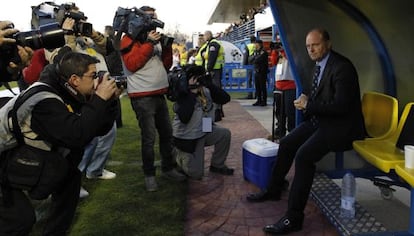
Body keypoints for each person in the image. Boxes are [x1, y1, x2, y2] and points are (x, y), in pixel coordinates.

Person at [246, 28, 365, 234]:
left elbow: (341, 106)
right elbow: (318, 95)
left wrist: (308, 106)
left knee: (303, 157)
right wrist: (305, 100)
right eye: (308, 46)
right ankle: (274, 189)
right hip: (323, 120)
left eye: (316, 45)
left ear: (328, 43)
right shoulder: (319, 64)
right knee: (286, 143)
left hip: (342, 126)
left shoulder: (342, 67)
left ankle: (293, 218)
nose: (311, 50)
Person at [0, 52, 118, 235]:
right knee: (19, 220)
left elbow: (96, 129)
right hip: (3, 156)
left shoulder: (67, 90)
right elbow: (76, 135)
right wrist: (99, 99)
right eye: (93, 76)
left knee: (69, 177)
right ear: (74, 79)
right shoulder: (43, 101)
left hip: (14, 151)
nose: (97, 80)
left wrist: (109, 102)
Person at [120, 5, 186, 192]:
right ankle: (149, 175)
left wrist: (165, 49)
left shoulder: (154, 38)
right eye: (149, 17)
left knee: (166, 134)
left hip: (158, 94)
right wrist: (149, 43)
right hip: (142, 97)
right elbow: (132, 64)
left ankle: (168, 168)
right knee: (149, 138)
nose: (153, 21)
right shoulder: (128, 38)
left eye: (154, 17)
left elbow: (164, 65)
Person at [172, 65, 233, 180]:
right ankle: (177, 154)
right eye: (195, 78)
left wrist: (210, 85)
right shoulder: (182, 92)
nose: (198, 80)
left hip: (203, 129)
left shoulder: (205, 90)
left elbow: (225, 99)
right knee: (196, 174)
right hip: (187, 136)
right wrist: (192, 92)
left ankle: (217, 165)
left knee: (224, 134)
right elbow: (184, 117)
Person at [274, 43, 296, 140]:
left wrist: (283, 50)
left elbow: (292, 59)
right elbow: (274, 62)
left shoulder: (291, 50)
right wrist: (275, 51)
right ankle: (280, 131)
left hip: (290, 85)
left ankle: (292, 133)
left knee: (289, 111)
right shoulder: (279, 54)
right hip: (279, 85)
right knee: (279, 111)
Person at [203, 30, 225, 121]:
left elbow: (212, 58)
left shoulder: (213, 44)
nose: (204, 38)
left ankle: (217, 112)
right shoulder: (213, 43)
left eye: (204, 36)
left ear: (208, 35)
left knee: (215, 90)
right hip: (216, 70)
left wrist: (208, 69)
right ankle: (219, 111)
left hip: (214, 70)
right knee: (216, 89)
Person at [250, 39, 268, 106]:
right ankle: (259, 100)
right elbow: (250, 59)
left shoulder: (263, 52)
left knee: (262, 87)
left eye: (256, 44)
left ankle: (264, 101)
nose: (255, 45)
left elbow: (257, 60)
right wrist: (254, 57)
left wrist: (254, 58)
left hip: (262, 72)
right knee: (257, 87)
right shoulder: (255, 52)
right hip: (256, 71)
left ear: (259, 44)